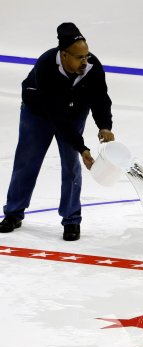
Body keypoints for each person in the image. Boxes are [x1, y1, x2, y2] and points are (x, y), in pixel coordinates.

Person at [0, 22, 115, 241]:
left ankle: (71, 220)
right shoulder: (46, 66)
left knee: (71, 166)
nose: (85, 61)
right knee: (26, 161)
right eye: (79, 57)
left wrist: (104, 125)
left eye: (87, 55)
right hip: (39, 113)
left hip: (73, 112)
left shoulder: (92, 66)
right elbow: (57, 116)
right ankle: (13, 213)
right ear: (63, 55)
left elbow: (100, 98)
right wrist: (81, 147)